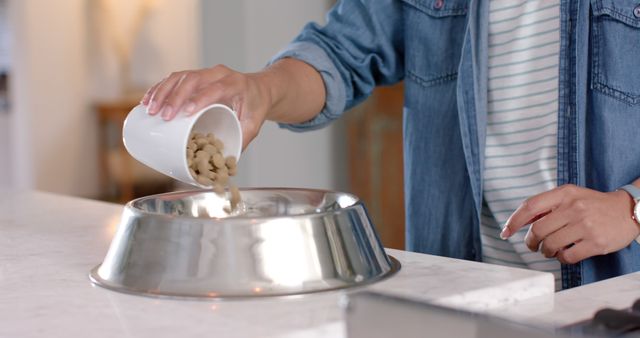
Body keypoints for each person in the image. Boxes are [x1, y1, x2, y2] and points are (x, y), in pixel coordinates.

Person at [141, 0, 640, 290]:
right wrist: (262, 90)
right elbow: (341, 52)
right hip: (466, 298)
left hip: (612, 302)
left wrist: (632, 208)